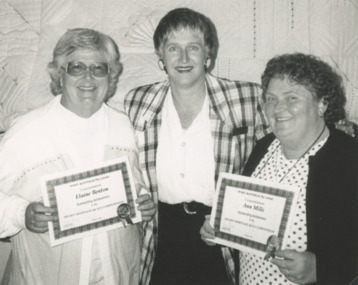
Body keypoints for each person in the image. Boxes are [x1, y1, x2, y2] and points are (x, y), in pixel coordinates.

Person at [124, 7, 271, 285]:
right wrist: (135, 195)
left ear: (208, 54)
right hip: (161, 232)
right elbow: (125, 161)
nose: (182, 58)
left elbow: (277, 153)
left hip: (220, 230)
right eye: (172, 48)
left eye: (193, 47)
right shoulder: (137, 101)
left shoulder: (247, 96)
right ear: (160, 56)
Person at [0, 28, 156, 285]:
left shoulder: (124, 127)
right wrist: (21, 213)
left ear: (111, 75)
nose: (88, 77)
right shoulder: (25, 133)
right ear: (59, 75)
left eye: (98, 68)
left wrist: (142, 204)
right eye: (76, 67)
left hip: (117, 275)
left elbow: (134, 187)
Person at [201, 53, 358, 285]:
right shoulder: (263, 147)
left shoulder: (348, 157)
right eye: (271, 99)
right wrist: (221, 229)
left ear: (322, 103)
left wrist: (323, 268)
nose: (278, 108)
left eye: (292, 98)